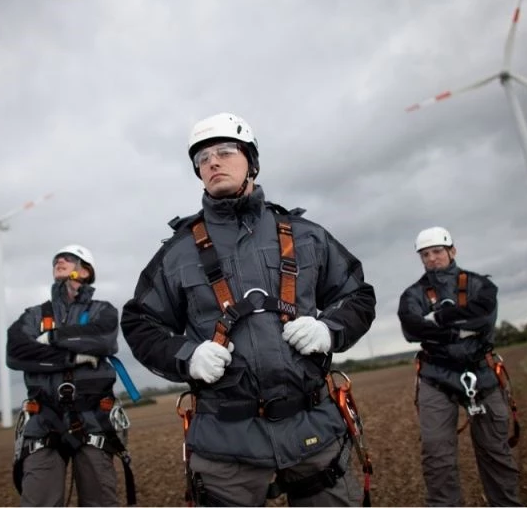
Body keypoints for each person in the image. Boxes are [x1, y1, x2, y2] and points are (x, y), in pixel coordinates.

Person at [121, 112, 377, 506]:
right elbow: (140, 322)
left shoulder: (307, 236)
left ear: (252, 161)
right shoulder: (176, 254)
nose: (213, 162)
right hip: (225, 440)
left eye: (225, 151)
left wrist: (329, 329)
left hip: (313, 425)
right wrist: (187, 356)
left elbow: (357, 295)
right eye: (202, 159)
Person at [397, 227, 521, 507]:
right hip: (435, 377)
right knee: (436, 456)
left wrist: (437, 319)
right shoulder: (413, 294)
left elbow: (483, 317)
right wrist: (456, 331)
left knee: (495, 452)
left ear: (452, 251)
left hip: (483, 374)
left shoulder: (482, 286)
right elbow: (411, 327)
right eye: (425, 254)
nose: (432, 258)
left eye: (437, 251)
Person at [7, 244, 129, 507]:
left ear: (85, 272)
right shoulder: (34, 315)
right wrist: (71, 358)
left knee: (101, 502)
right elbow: (15, 353)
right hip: (43, 421)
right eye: (57, 259)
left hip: (93, 420)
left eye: (69, 258)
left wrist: (50, 338)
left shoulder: (103, 311)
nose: (59, 260)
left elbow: (102, 340)